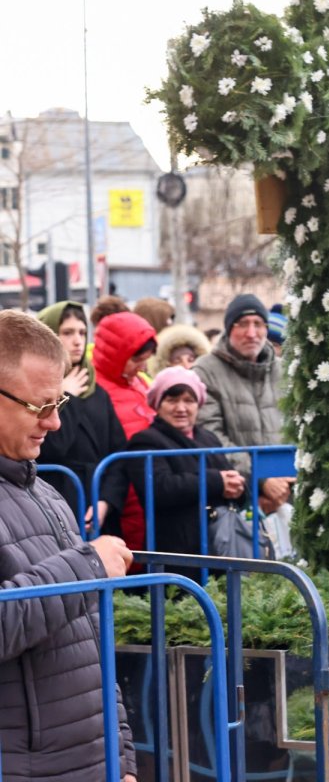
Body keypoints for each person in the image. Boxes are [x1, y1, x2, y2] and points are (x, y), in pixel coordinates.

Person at [0, 310, 137, 782]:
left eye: (59, 402)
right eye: (41, 407)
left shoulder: (46, 491)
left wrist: (123, 758)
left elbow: (93, 641)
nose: (56, 423)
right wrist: (86, 565)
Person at [124, 367, 248, 576]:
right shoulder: (145, 441)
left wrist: (239, 488)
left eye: (189, 400)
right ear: (157, 404)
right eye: (172, 400)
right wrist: (217, 482)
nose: (181, 408)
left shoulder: (208, 438)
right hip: (176, 552)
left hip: (218, 545)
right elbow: (159, 488)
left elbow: (229, 478)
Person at [34, 301, 129, 530]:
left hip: (98, 510)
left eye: (82, 332)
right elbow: (52, 447)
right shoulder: (34, 390)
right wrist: (66, 396)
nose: (77, 341)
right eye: (67, 333)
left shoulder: (97, 392)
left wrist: (105, 502)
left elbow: (119, 455)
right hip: (55, 507)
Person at [193, 294, 291, 515]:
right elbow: (211, 435)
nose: (251, 333)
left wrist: (290, 477)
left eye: (258, 324)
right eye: (243, 324)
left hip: (288, 491)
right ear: (229, 329)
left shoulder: (284, 370)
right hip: (236, 497)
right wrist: (260, 479)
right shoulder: (206, 371)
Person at [93, 310, 158, 550]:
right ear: (117, 355)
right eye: (136, 359)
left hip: (147, 485)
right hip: (120, 490)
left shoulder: (141, 383)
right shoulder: (94, 389)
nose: (141, 366)